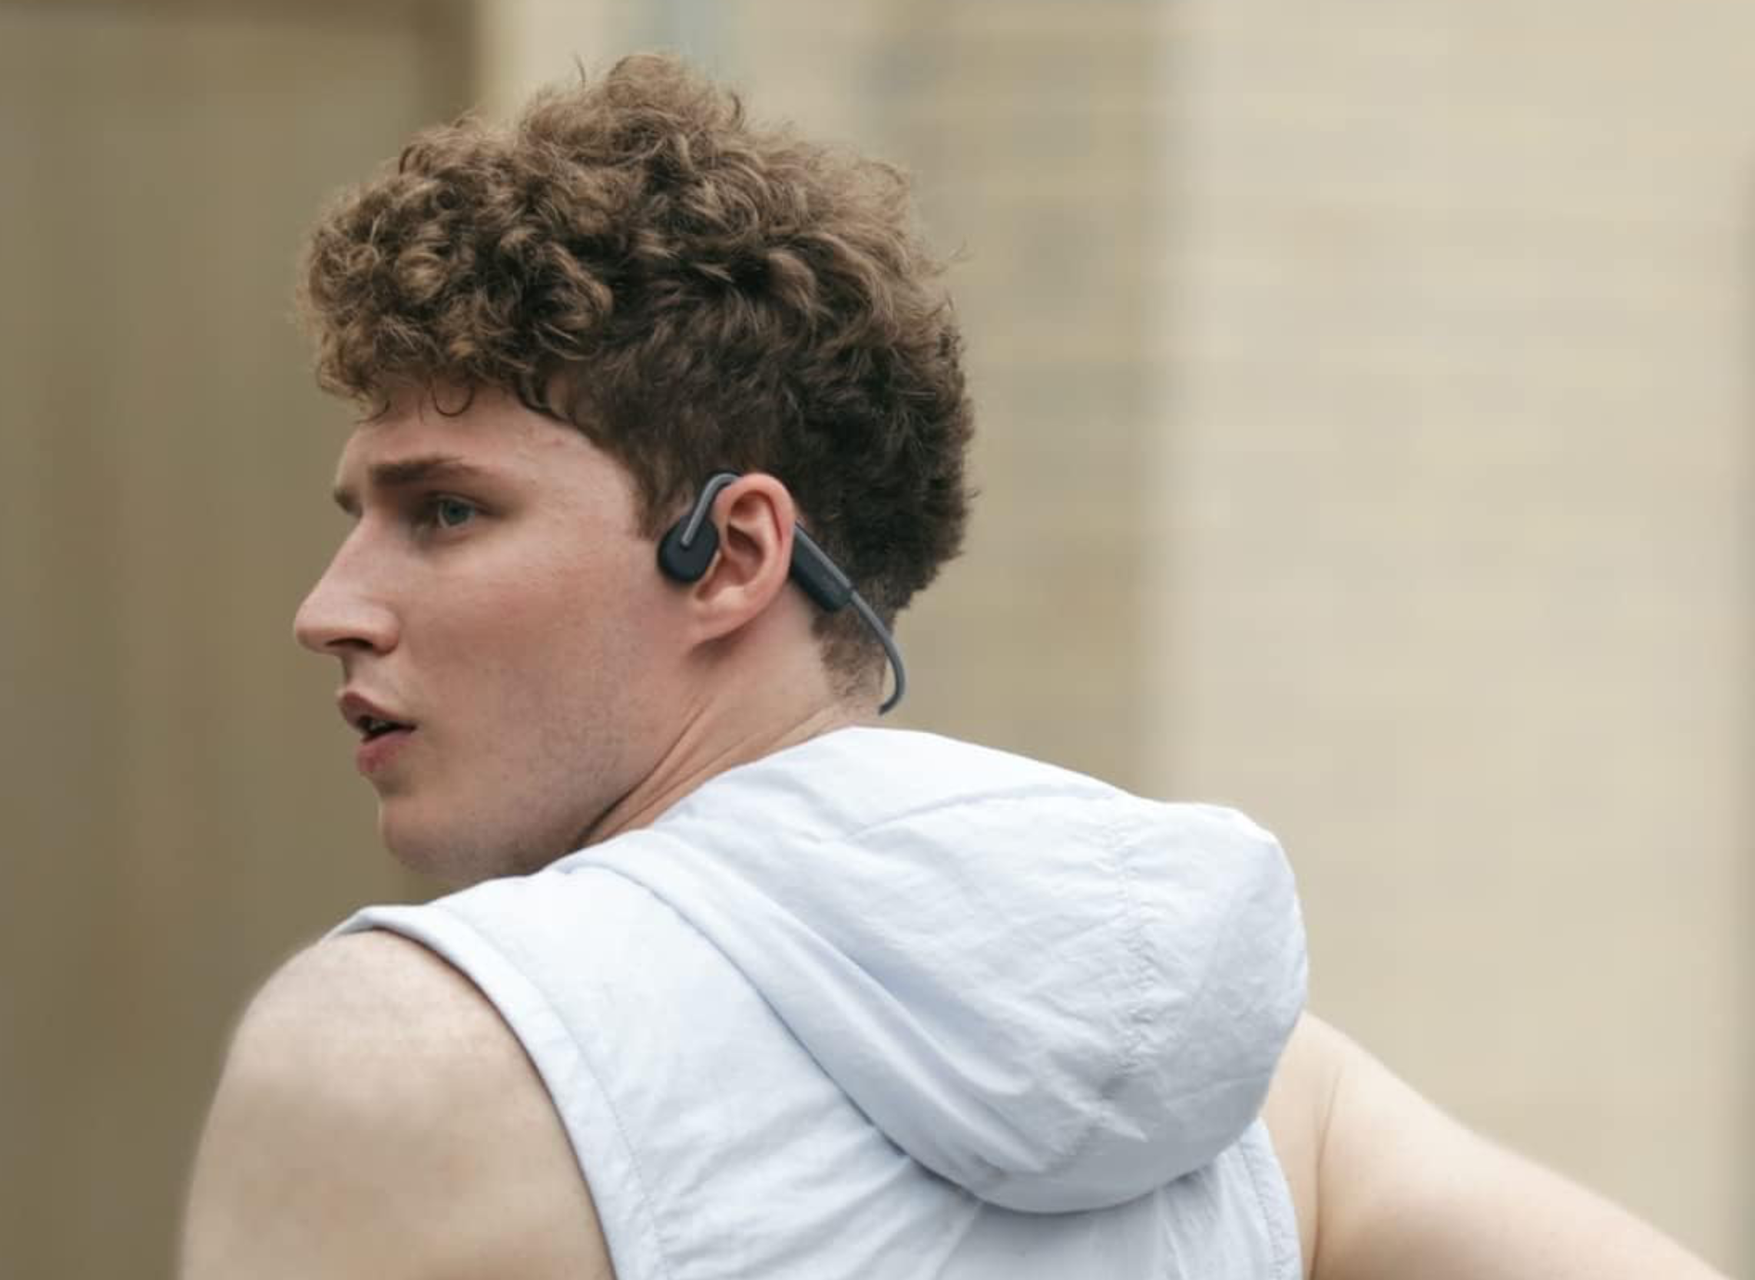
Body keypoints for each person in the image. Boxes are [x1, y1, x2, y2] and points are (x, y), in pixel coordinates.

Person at [178, 54, 1727, 1280]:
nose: (333, 607)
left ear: (731, 553)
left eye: (445, 511)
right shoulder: (1239, 1076)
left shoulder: (403, 1056)